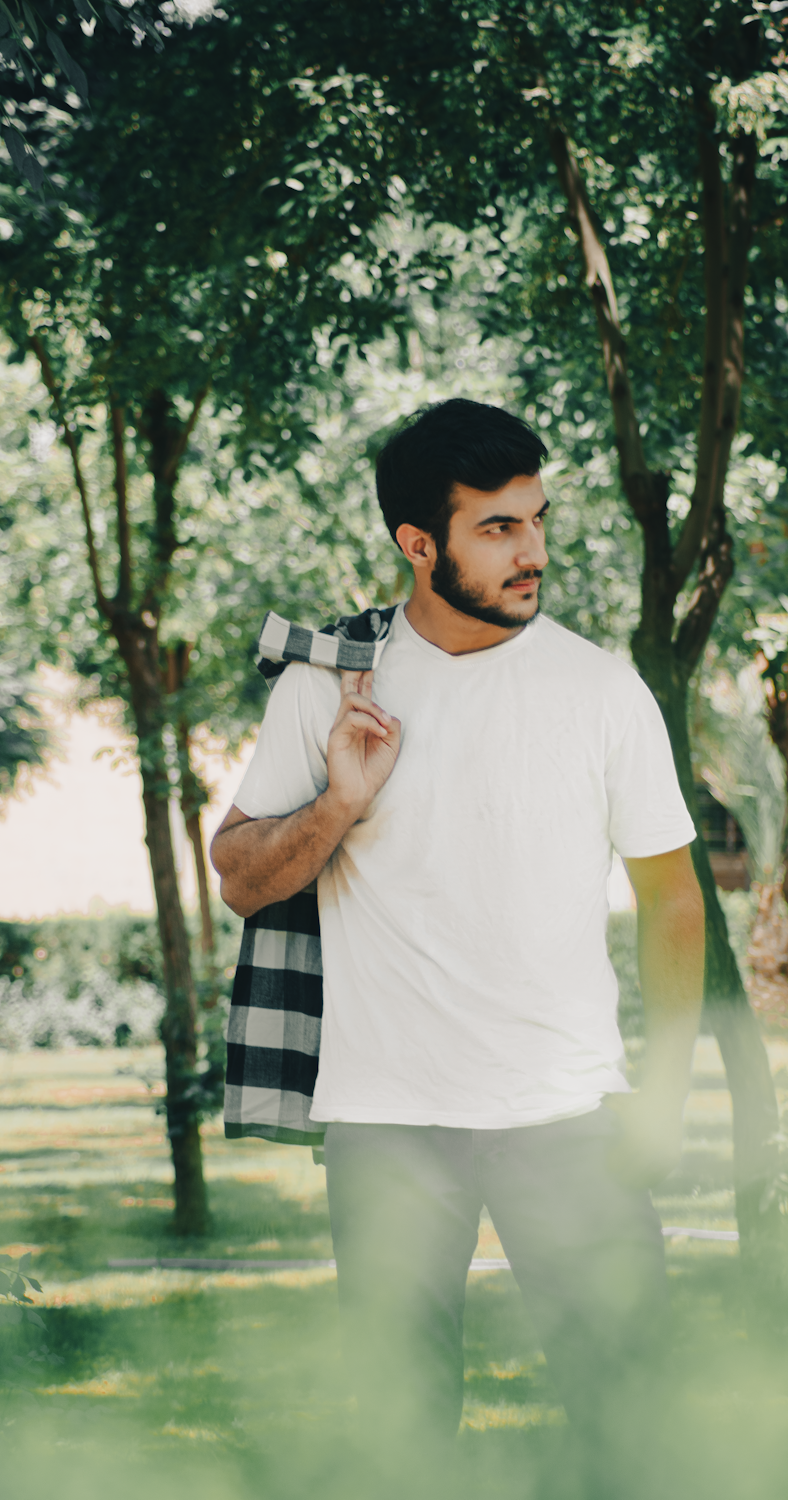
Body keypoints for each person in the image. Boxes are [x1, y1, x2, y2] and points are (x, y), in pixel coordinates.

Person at [210, 398, 704, 1494]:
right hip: (387, 1125)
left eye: (535, 519)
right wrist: (339, 802)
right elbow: (242, 879)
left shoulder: (599, 690)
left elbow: (672, 897)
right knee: (398, 1438)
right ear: (417, 543)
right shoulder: (331, 684)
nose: (532, 551)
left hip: (565, 1117)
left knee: (628, 1425)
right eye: (497, 528)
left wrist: (665, 1091)